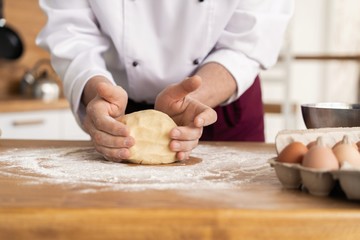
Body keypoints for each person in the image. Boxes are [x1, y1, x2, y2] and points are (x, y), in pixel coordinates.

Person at [36, 0, 294, 162]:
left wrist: (193, 98)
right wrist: (96, 91)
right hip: (119, 110)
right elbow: (71, 33)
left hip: (217, 104)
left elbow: (250, 39)